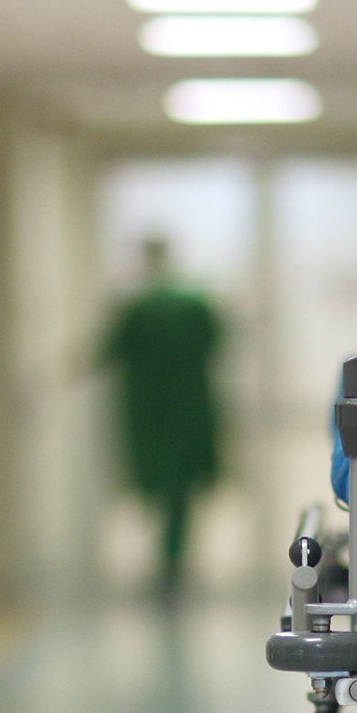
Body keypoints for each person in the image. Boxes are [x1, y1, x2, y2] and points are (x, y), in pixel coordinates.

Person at [99, 237, 223, 598]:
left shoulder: (138, 310)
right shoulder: (194, 307)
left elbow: (108, 352)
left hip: (150, 415)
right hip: (190, 414)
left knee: (160, 489)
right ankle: (172, 564)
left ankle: (169, 565)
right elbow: (218, 346)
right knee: (180, 494)